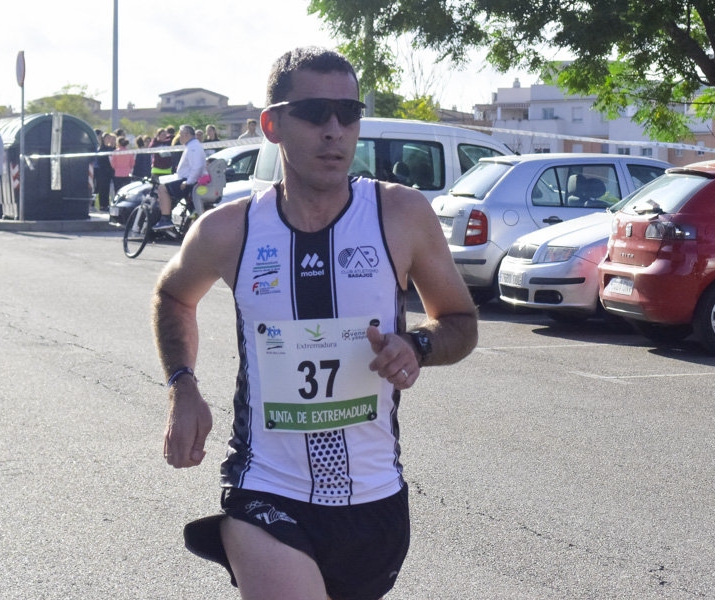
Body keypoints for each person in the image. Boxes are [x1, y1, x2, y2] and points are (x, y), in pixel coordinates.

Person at [152, 46, 478, 600]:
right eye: (314, 113)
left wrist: (417, 345)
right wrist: (182, 387)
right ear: (271, 124)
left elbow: (461, 323)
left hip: (373, 499)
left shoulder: (399, 216)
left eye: (348, 114)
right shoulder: (228, 230)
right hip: (265, 487)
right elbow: (172, 296)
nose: (335, 130)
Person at [153, 124, 205, 230]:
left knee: (162, 188)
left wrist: (188, 182)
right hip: (186, 179)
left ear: (186, 134)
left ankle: (166, 219)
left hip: (188, 182)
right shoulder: (192, 145)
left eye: (180, 134)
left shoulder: (193, 147)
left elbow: (197, 166)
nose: (179, 137)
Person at [94, 132, 116, 211]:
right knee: (103, 188)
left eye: (110, 138)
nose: (109, 139)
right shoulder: (102, 149)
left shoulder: (113, 149)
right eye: (107, 138)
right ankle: (103, 205)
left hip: (110, 171)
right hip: (103, 171)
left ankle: (108, 204)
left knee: (108, 189)